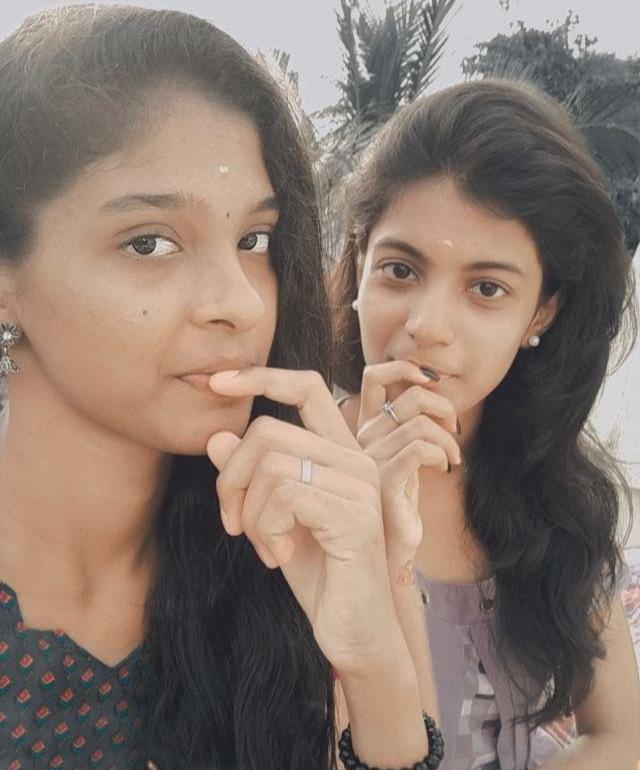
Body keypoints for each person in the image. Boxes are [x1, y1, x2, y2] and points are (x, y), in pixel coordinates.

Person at [0, 5, 442, 769]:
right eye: (150, 243)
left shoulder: (286, 556)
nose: (241, 302)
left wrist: (374, 656)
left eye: (254, 240)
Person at [331, 79, 640, 770]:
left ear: (542, 313)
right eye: (400, 270)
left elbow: (621, 735)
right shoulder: (286, 469)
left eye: (487, 288)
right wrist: (366, 543)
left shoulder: (552, 488)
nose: (427, 326)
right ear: (358, 266)